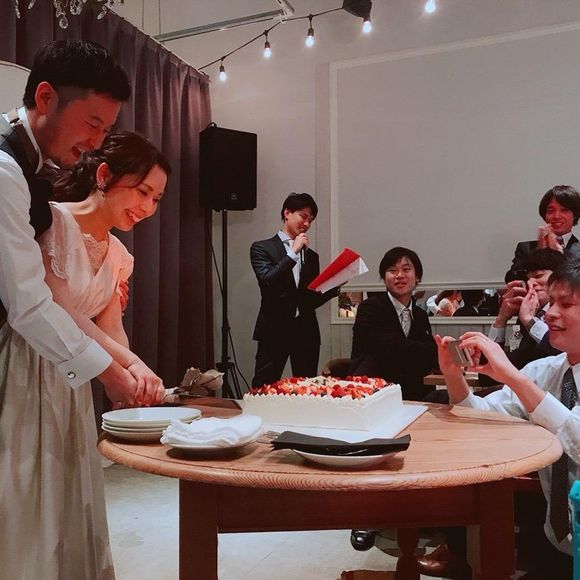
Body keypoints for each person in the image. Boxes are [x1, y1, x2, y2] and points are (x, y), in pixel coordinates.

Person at [0, 40, 163, 580]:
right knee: (24, 501)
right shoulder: (8, 174)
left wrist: (129, 367)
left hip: (64, 366)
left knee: (63, 500)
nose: (95, 141)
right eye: (92, 124)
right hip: (25, 363)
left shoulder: (31, 174)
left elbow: (105, 324)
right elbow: (32, 303)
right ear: (46, 97)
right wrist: (113, 373)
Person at [434, 258, 580, 578]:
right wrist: (453, 376)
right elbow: (481, 418)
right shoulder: (544, 370)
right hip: (556, 537)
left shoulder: (531, 377)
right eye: (552, 302)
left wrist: (512, 376)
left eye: (566, 304)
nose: (550, 313)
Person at [250, 193, 339, 386]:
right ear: (287, 213)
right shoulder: (262, 248)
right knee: (264, 385)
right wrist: (293, 252)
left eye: (311, 220)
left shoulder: (311, 256)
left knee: (306, 387)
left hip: (306, 330)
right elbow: (267, 280)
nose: (307, 224)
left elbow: (309, 299)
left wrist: (335, 286)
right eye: (303, 216)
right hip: (274, 329)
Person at [349, 247, 437, 401]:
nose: (399, 275)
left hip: (413, 393)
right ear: (384, 278)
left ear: (418, 276)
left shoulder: (420, 315)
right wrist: (433, 350)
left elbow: (428, 359)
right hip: (373, 393)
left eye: (406, 269)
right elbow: (391, 349)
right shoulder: (370, 308)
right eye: (392, 270)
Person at [505, 184, 580, 282]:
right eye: (551, 211)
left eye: (564, 210)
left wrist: (559, 253)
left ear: (575, 214)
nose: (556, 216)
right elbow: (511, 278)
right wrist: (539, 253)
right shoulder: (526, 248)